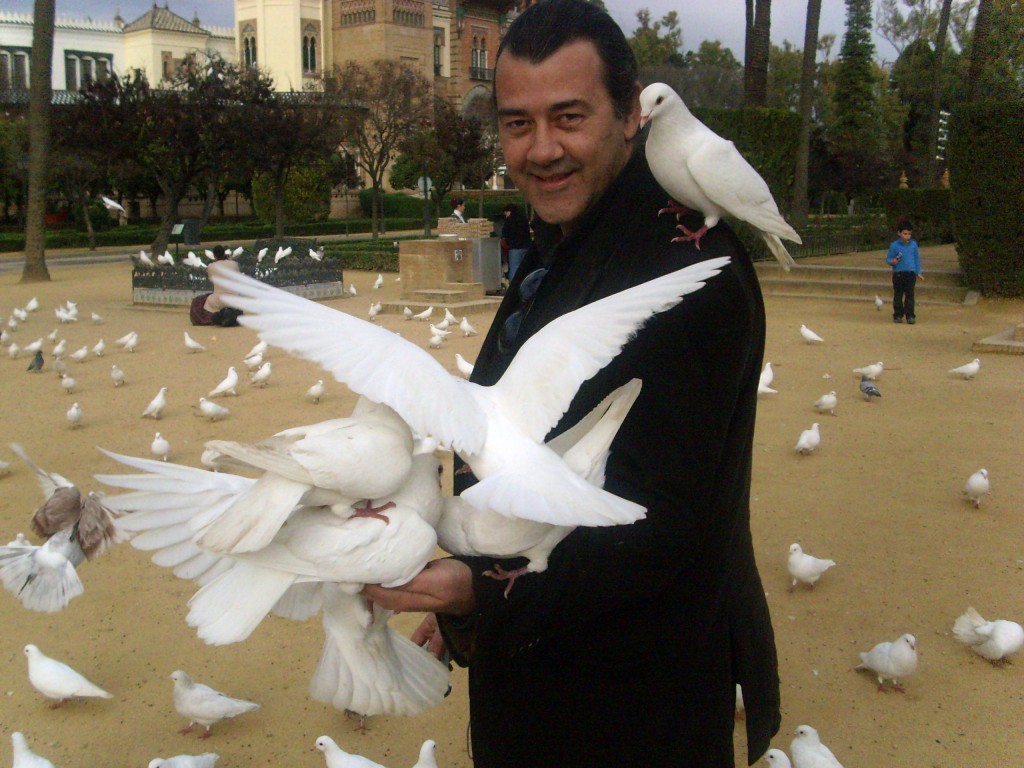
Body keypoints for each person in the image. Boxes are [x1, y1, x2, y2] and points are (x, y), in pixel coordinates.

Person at [363, 1, 780, 766]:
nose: (542, 149)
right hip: (544, 683)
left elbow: (662, 527)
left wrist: (484, 593)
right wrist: (481, 583)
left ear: (631, 114)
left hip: (625, 713)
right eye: (518, 124)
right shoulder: (572, 237)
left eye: (569, 117)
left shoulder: (687, 271)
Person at [885, 220, 924, 324]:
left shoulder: (913, 245)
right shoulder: (894, 245)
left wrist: (918, 272)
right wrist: (892, 261)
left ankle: (910, 315)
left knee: (910, 295)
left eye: (909, 234)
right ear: (899, 233)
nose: (907, 236)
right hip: (898, 273)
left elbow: (916, 259)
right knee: (898, 295)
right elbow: (888, 259)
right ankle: (898, 315)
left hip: (910, 273)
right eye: (905, 234)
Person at [202, 245, 243, 327]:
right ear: (224, 253)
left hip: (217, 301)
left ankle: (221, 315)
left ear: (214, 256)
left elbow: (211, 280)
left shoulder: (211, 266)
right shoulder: (234, 264)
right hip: (233, 300)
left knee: (208, 300)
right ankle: (229, 314)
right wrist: (230, 260)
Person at [500, 202, 533, 279]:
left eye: (506, 213)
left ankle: (514, 285)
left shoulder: (509, 220)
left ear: (509, 211)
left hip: (515, 247)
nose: (505, 215)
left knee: (514, 268)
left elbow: (505, 234)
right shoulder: (524, 219)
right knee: (525, 269)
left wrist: (505, 244)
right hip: (527, 246)